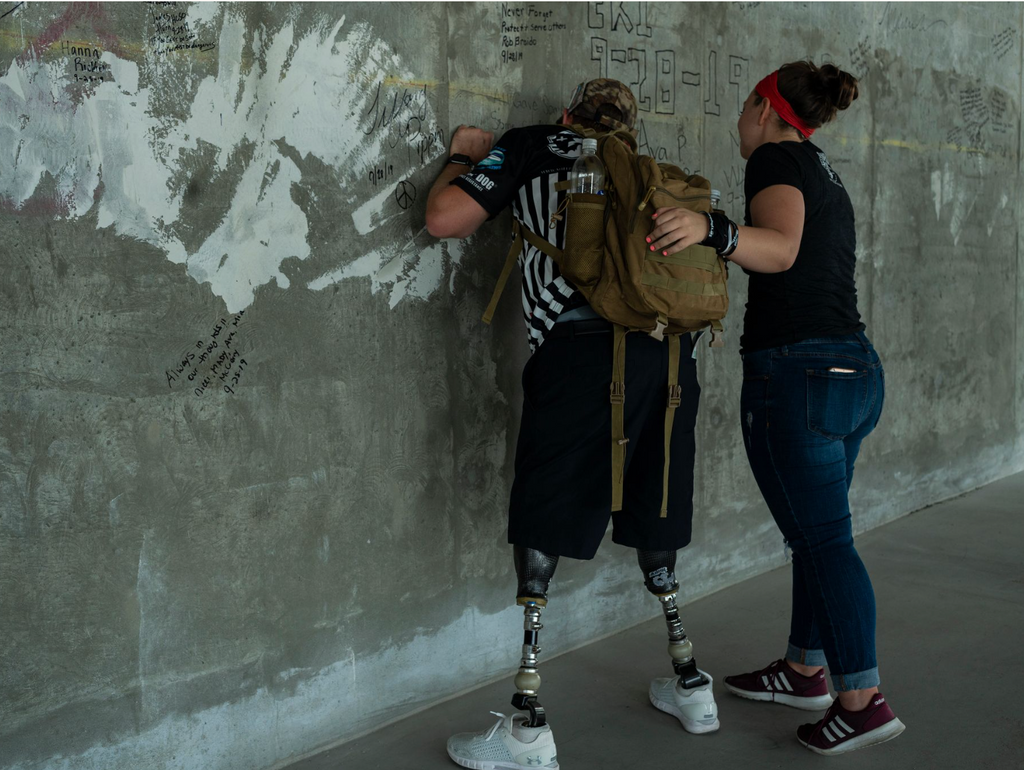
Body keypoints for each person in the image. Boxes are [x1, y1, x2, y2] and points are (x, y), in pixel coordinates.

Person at [426, 79, 718, 770]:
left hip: (583, 357)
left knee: (546, 510)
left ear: (567, 118)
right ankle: (691, 684)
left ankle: (527, 725)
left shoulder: (530, 147)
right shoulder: (652, 176)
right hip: (673, 362)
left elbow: (444, 219)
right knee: (657, 506)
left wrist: (464, 159)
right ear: (630, 130)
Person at [646, 60, 905, 755]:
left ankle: (862, 700)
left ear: (765, 108)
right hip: (850, 372)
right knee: (818, 536)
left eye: (742, 107)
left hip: (800, 377)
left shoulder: (775, 158)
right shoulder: (819, 166)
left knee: (824, 542)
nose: (738, 122)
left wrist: (710, 230)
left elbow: (781, 250)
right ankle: (803, 670)